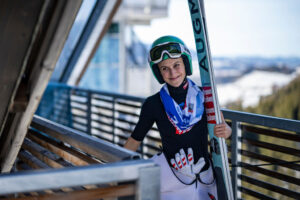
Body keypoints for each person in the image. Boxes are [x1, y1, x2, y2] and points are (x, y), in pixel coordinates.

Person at [124, 35, 231, 200]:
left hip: (205, 177)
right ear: (158, 72)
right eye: (164, 68)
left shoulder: (205, 96)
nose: (172, 72)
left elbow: (223, 128)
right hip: (172, 179)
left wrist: (227, 130)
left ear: (186, 64)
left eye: (176, 65)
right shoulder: (153, 104)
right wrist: (115, 171)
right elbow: (134, 140)